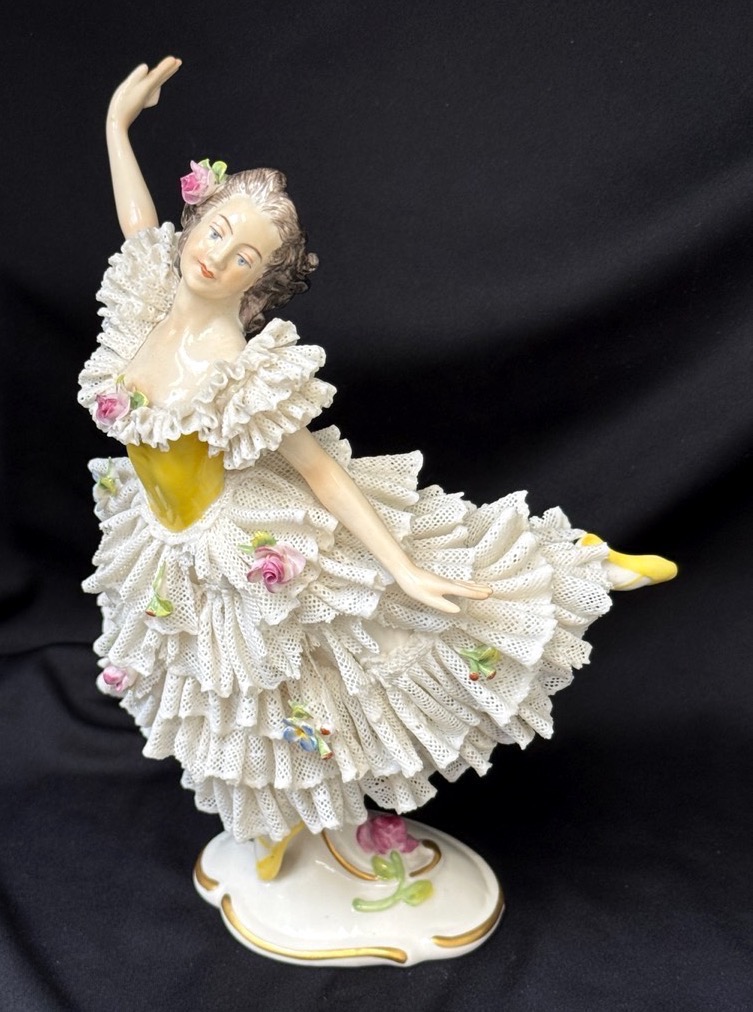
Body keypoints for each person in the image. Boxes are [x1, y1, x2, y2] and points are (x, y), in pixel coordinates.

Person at [79, 58, 676, 876]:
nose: (218, 257)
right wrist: (117, 125)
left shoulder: (239, 367)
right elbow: (136, 224)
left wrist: (399, 568)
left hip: (241, 543)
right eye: (216, 231)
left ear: (260, 282)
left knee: (363, 646)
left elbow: (321, 474)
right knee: (239, 698)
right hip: (165, 546)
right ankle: (284, 817)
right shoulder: (146, 294)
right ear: (196, 221)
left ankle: (579, 565)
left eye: (245, 256)